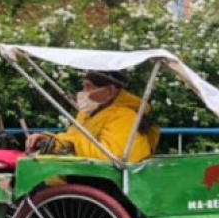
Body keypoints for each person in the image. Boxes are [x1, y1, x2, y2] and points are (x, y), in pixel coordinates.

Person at [26, 70, 160, 163]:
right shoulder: (87, 114)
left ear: (111, 91)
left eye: (88, 87)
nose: (83, 93)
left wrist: (70, 144)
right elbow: (72, 139)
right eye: (83, 87)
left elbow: (107, 155)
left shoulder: (125, 116)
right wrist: (50, 140)